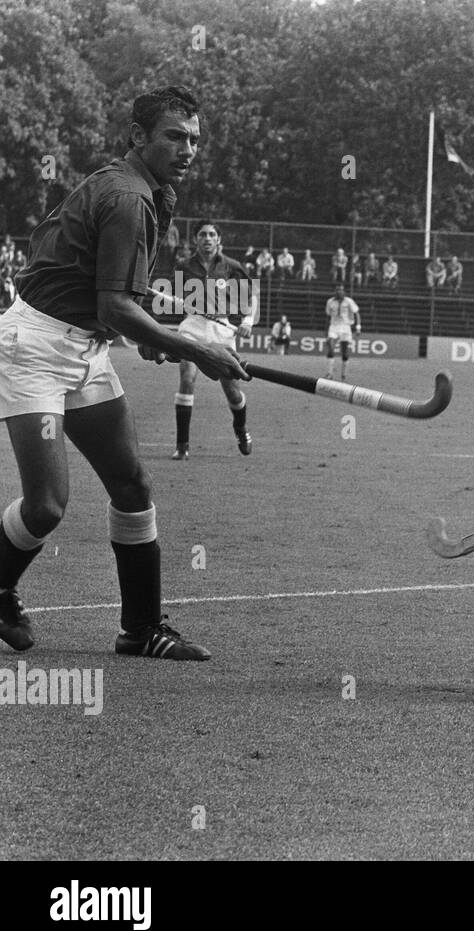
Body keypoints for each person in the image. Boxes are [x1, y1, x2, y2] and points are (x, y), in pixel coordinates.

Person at [0, 85, 247, 661]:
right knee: (47, 507)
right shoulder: (129, 197)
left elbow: (111, 299)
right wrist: (192, 348)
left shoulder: (144, 191)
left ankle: (140, 630)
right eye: (174, 137)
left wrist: (157, 330)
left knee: (132, 484)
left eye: (194, 140)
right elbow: (114, 304)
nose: (187, 149)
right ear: (139, 136)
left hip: (84, 347)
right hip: (35, 348)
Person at [170, 220, 257, 460]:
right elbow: (174, 296)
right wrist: (175, 300)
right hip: (193, 327)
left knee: (232, 390)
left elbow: (251, 298)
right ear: (196, 239)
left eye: (211, 235)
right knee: (187, 378)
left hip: (223, 330)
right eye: (202, 234)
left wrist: (247, 323)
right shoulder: (183, 267)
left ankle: (240, 429)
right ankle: (182, 445)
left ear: (218, 240)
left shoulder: (232, 266)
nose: (207, 238)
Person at [325, 284, 360, 380]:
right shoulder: (330, 302)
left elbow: (356, 313)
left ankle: (343, 374)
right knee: (330, 347)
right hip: (334, 327)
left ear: (344, 291)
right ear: (335, 291)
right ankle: (329, 373)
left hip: (345, 327)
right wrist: (326, 331)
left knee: (344, 352)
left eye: (341, 290)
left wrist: (358, 327)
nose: (339, 291)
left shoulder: (349, 301)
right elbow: (328, 316)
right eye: (337, 290)